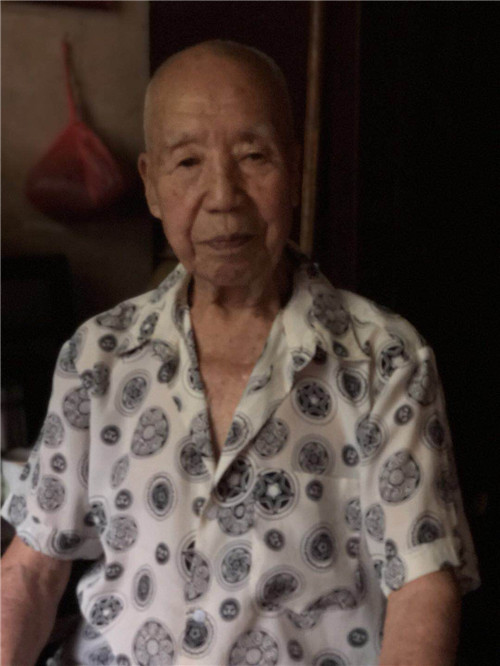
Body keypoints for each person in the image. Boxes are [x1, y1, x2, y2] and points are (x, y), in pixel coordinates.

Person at [1, 40, 479, 666]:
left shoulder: (385, 359)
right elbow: (32, 570)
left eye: (254, 156)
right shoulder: (98, 355)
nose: (224, 195)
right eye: (187, 162)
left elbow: (424, 589)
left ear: (295, 170)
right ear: (151, 185)